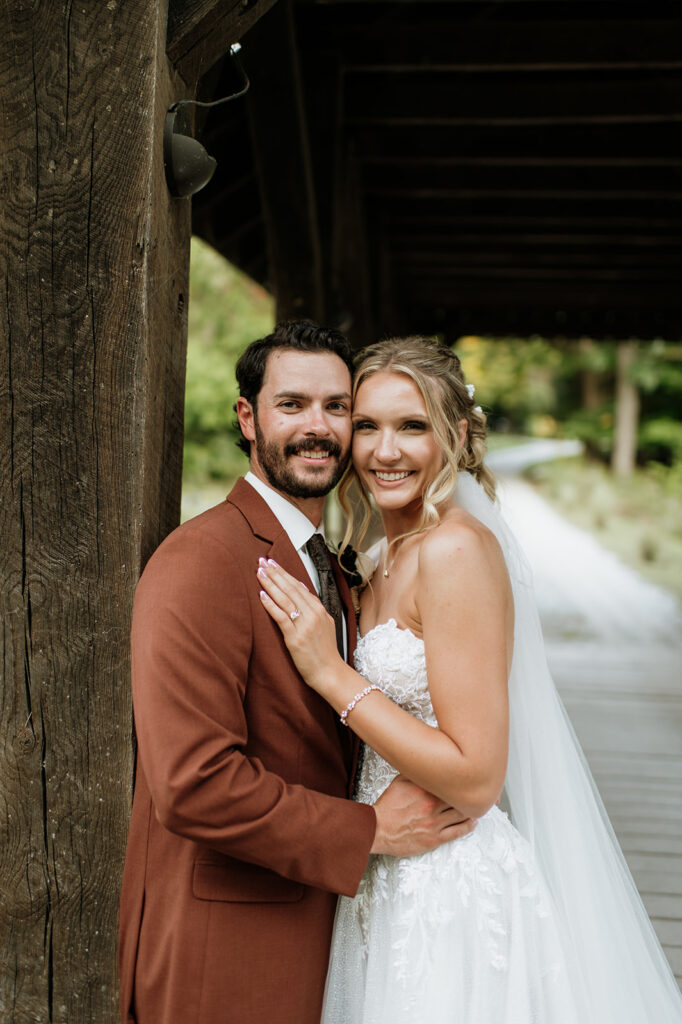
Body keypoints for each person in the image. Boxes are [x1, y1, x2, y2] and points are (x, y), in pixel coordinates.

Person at [258, 335, 682, 1023]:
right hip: (381, 874)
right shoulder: (375, 557)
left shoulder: (455, 550)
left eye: (412, 426)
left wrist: (331, 676)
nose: (383, 451)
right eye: (366, 426)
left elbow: (478, 777)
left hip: (445, 889)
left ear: (456, 434)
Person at [117, 322, 474, 1024]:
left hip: (322, 930)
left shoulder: (329, 562)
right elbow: (193, 784)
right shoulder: (202, 561)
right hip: (223, 946)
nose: (319, 427)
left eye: (337, 408)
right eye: (292, 405)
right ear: (248, 417)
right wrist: (367, 831)